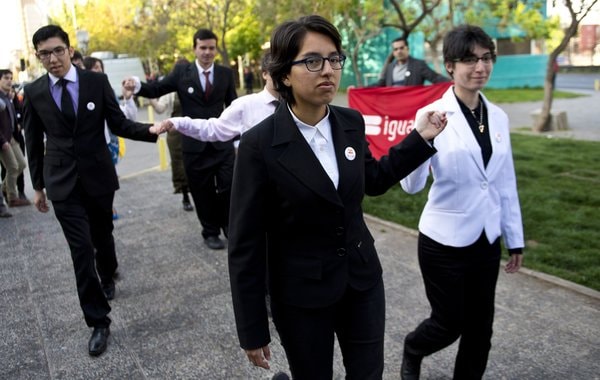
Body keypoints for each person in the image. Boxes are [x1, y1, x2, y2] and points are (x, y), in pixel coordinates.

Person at [227, 15, 447, 380]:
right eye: (312, 61)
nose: (327, 70)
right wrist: (251, 329)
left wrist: (419, 138)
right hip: (300, 297)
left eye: (334, 59)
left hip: (362, 282)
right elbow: (245, 242)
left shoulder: (350, 122)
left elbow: (372, 180)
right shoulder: (259, 145)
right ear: (284, 74)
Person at [23, 24, 158, 357]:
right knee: (81, 250)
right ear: (38, 57)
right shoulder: (35, 91)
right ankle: (99, 321)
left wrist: (151, 130)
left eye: (57, 50)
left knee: (102, 234)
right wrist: (38, 186)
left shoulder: (96, 82)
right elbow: (31, 141)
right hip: (61, 182)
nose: (52, 59)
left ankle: (108, 271)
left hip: (97, 176)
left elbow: (118, 123)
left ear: (70, 50)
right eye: (44, 54)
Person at [398, 25, 524, 380]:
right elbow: (411, 186)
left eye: (486, 58)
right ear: (450, 65)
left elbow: (504, 180)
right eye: (469, 59)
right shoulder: (432, 115)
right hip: (442, 240)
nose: (479, 67)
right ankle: (414, 347)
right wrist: (420, 137)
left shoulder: (498, 116)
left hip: (486, 238)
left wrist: (514, 237)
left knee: (481, 329)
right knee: (449, 322)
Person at [124, 28, 237, 250]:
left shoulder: (225, 74)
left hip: (222, 144)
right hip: (194, 147)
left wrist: (237, 139)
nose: (207, 52)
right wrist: (136, 85)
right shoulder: (181, 73)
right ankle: (210, 231)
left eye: (211, 48)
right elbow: (156, 87)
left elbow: (233, 106)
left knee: (229, 188)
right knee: (202, 191)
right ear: (194, 48)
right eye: (202, 48)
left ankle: (228, 226)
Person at [153, 53, 279, 145]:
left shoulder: (297, 104)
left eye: (286, 70)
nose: (282, 75)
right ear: (265, 73)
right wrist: (179, 123)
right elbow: (213, 128)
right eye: (276, 71)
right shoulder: (246, 105)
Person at [83, 56, 138, 219]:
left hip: (108, 145)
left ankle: (107, 208)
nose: (98, 71)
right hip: (88, 150)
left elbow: (126, 117)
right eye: (94, 68)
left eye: (100, 67)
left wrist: (128, 98)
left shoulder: (105, 90)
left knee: (107, 183)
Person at [147, 58, 194, 212]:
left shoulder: (195, 85)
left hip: (194, 131)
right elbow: (161, 109)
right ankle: (185, 195)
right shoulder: (171, 90)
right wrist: (151, 99)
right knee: (179, 164)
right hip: (175, 134)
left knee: (196, 162)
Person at [0, 69, 29, 207]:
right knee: (12, 167)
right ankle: (12, 197)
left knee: (21, 164)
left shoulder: (9, 96)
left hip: (12, 136)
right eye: (6, 78)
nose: (9, 80)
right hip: (3, 139)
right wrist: (2, 140)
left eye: (11, 78)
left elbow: (18, 112)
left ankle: (4, 189)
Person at [375, 37, 449, 87]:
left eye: (401, 48)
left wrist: (452, 82)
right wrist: (364, 89)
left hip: (413, 106)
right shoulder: (389, 68)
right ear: (393, 52)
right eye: (396, 49)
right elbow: (381, 83)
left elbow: (435, 78)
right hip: (393, 106)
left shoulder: (419, 65)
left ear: (407, 49)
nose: (399, 51)